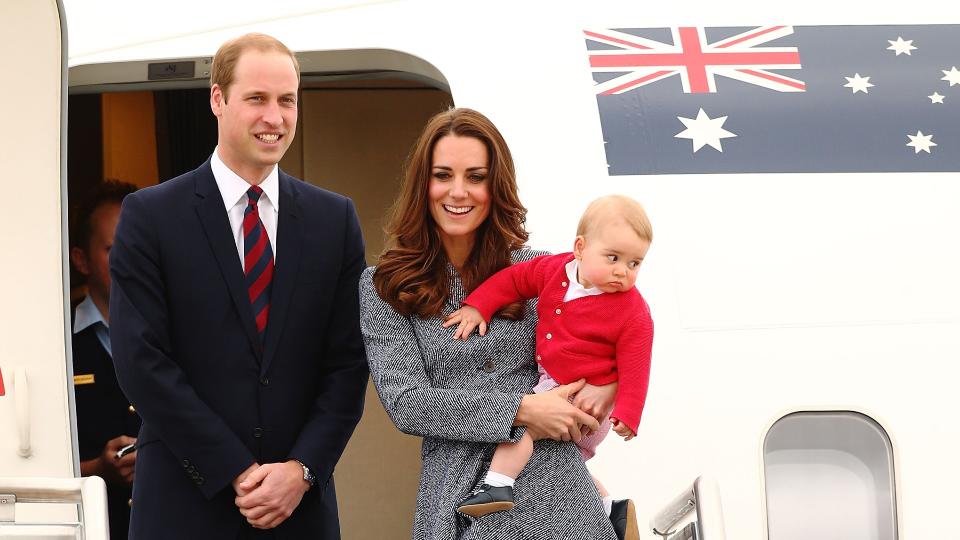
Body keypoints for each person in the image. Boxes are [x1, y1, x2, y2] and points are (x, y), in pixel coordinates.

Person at [109, 33, 368, 539]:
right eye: (257, 99)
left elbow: (348, 364)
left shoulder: (333, 219)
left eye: (287, 100)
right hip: (184, 509)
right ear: (217, 99)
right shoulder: (150, 216)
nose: (274, 117)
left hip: (299, 511)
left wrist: (301, 471)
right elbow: (141, 363)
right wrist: (237, 470)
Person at [359, 107, 620, 540]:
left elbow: (593, 348)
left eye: (475, 177)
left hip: (559, 497)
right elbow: (407, 402)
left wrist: (600, 391)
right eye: (443, 175)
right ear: (423, 183)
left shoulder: (540, 270)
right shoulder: (384, 286)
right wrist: (522, 409)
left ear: (495, 185)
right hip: (457, 499)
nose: (458, 192)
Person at [446, 194, 653, 540]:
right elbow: (512, 281)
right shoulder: (552, 270)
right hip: (555, 381)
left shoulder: (632, 310)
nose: (622, 271)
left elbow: (637, 362)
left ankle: (497, 484)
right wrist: (479, 306)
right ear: (580, 247)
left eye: (635, 263)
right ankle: (608, 510)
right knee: (565, 462)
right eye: (613, 258)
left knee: (524, 427)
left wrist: (628, 412)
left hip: (582, 398)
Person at [70, 179, 140, 540]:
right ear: (81, 259)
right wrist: (97, 468)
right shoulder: (59, 343)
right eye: (114, 249)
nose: (130, 261)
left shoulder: (180, 336)